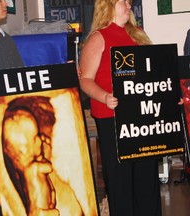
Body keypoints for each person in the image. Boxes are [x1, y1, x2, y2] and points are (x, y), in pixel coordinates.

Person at [79, 0, 162, 216]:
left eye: (129, 1)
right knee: (120, 181)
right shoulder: (99, 38)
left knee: (147, 177)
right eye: (122, 1)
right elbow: (85, 80)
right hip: (112, 118)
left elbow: (153, 75)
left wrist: (168, 99)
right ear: (107, 5)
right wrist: (104, 97)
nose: (128, 4)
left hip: (142, 116)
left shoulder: (138, 33)